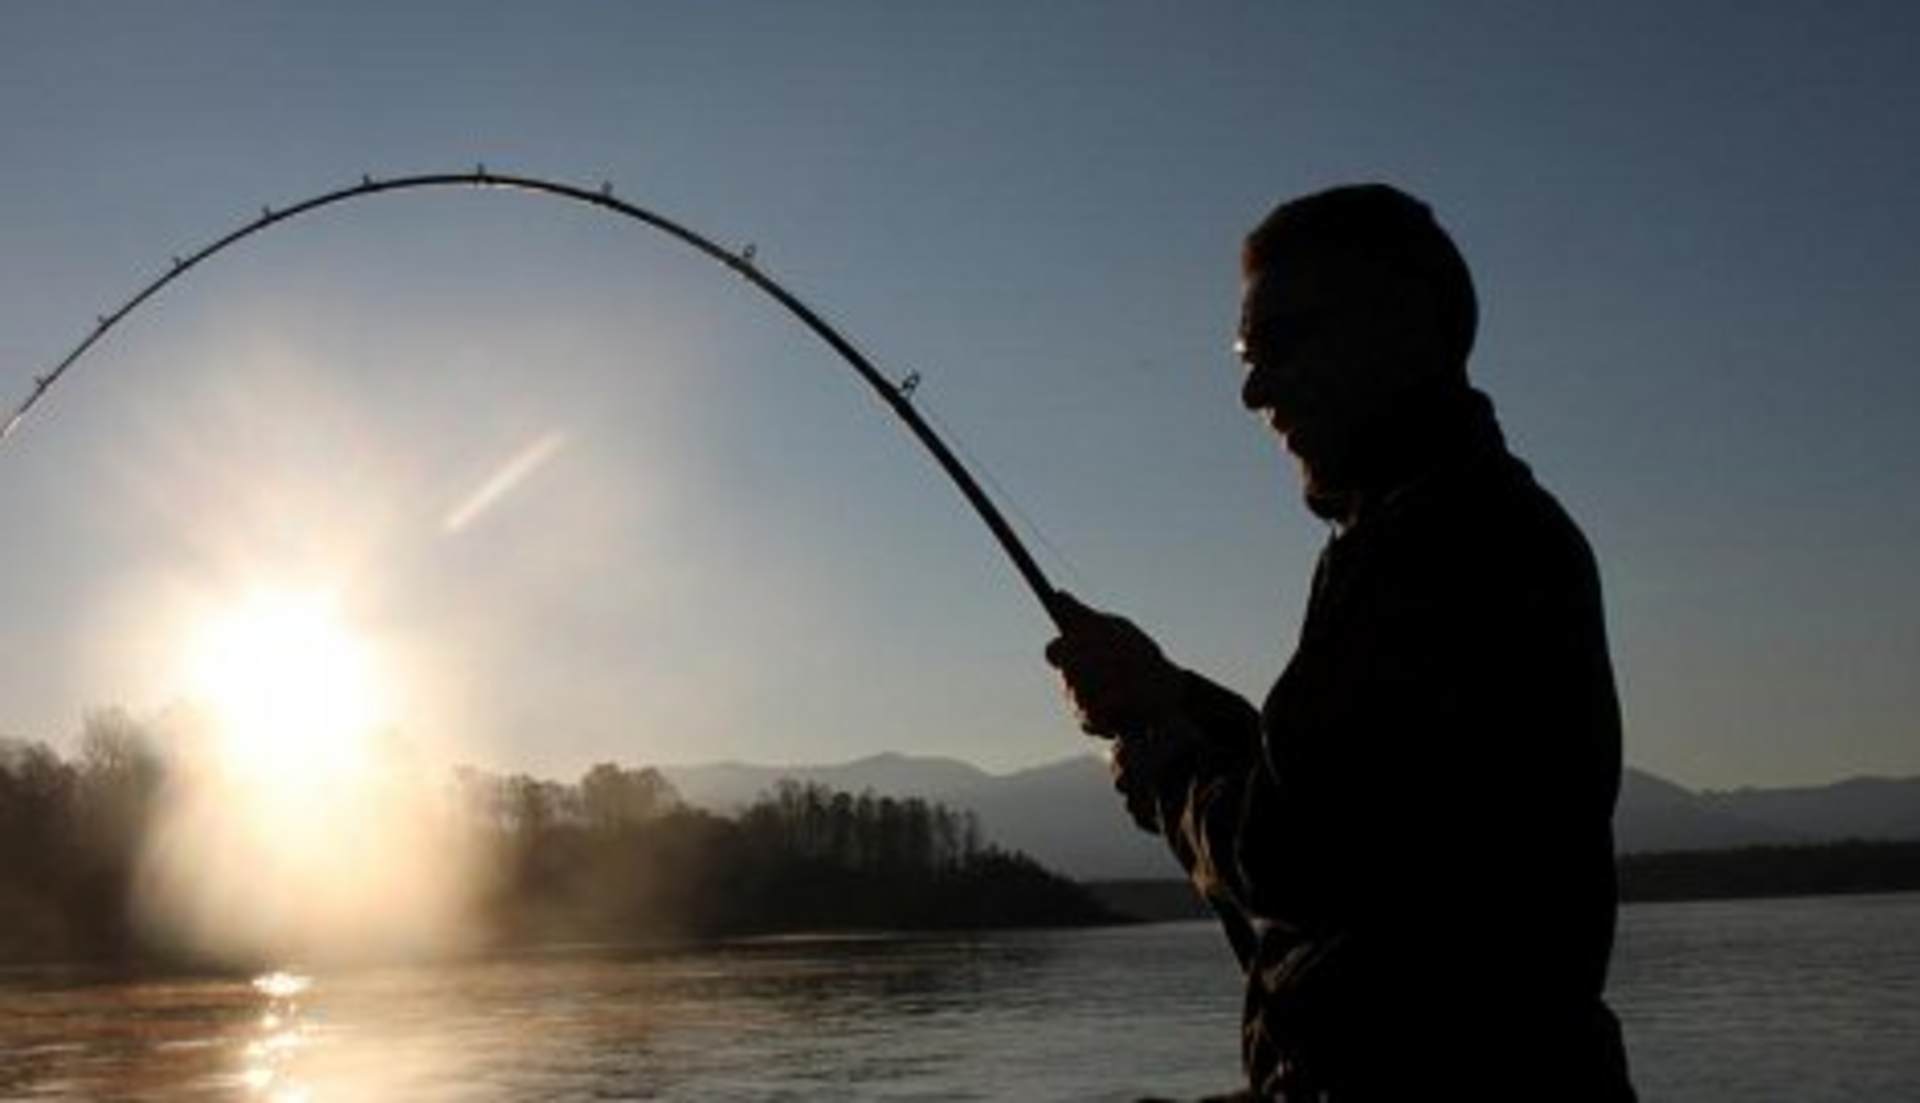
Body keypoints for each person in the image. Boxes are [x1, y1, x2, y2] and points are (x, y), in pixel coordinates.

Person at [1045, 184, 1635, 1100]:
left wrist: (1165, 758)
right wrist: (1172, 697)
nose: (1252, 388)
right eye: (1245, 354)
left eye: (1276, 346)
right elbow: (1341, 795)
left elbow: (1288, 854)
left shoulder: (1449, 547)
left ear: (1398, 332)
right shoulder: (1430, 528)